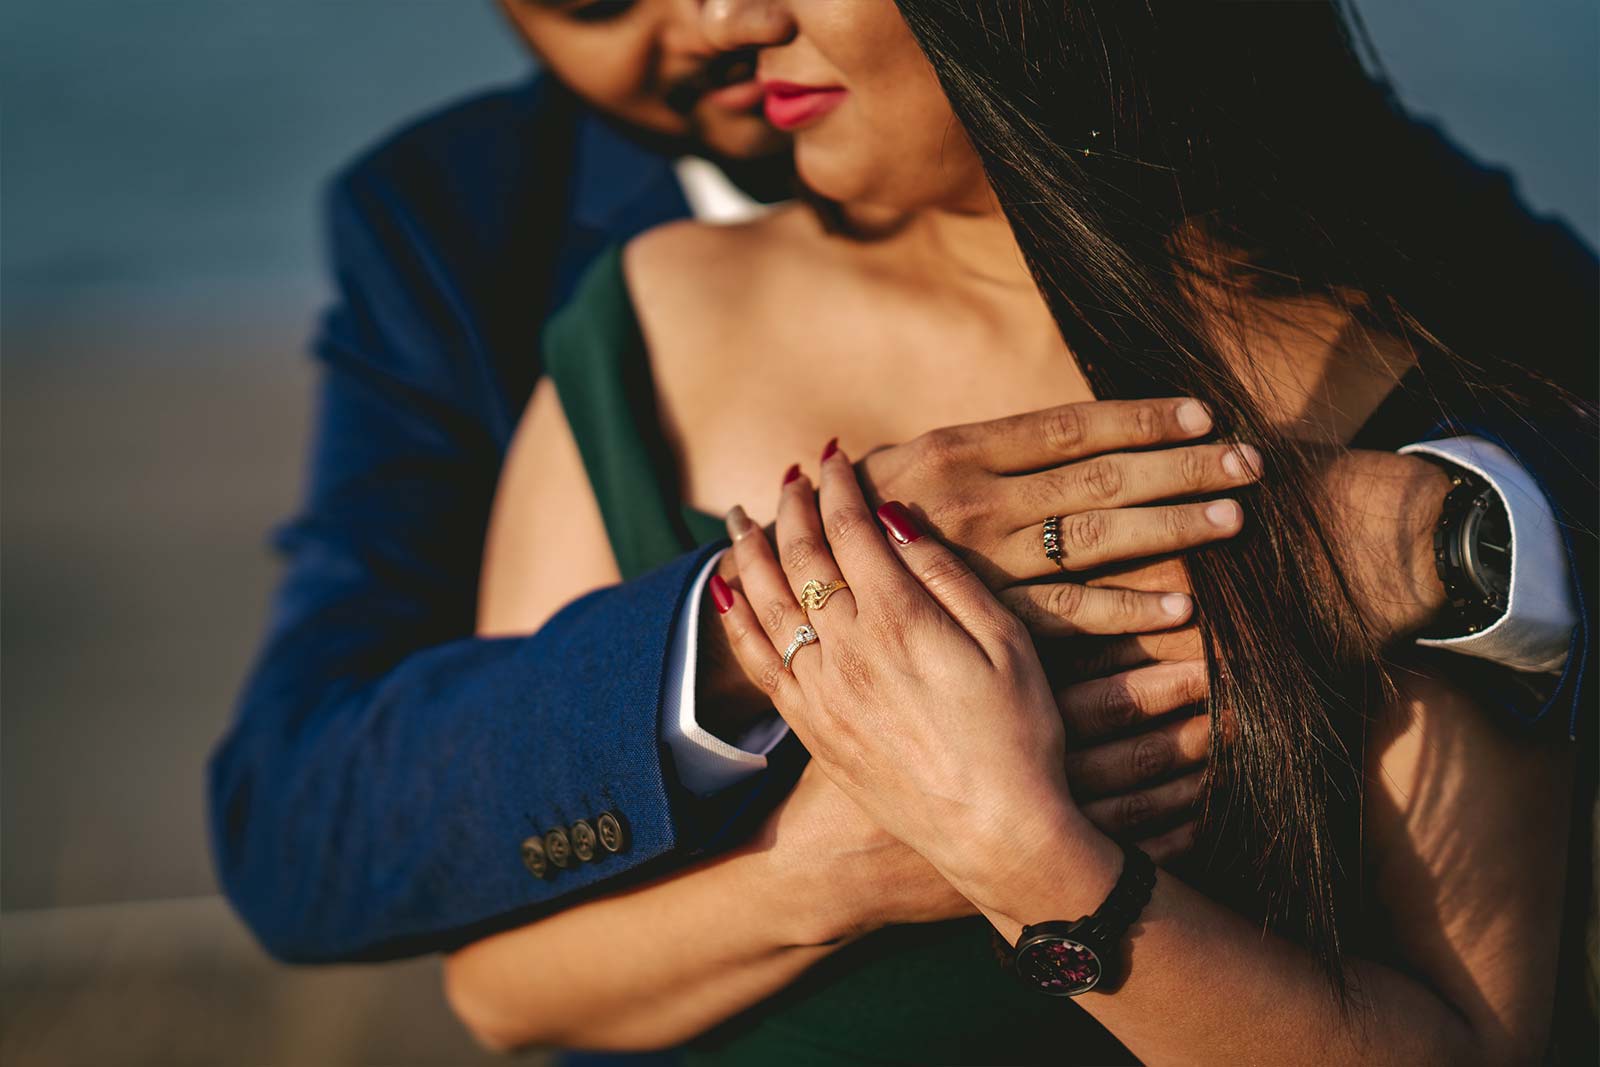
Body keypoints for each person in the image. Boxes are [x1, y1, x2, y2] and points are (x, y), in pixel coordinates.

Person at [208, 0, 1589, 970]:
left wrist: (1466, 536)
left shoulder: (1250, 173)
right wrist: (768, 624)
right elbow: (299, 823)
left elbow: (1540, 355)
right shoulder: (459, 225)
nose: (710, 19)